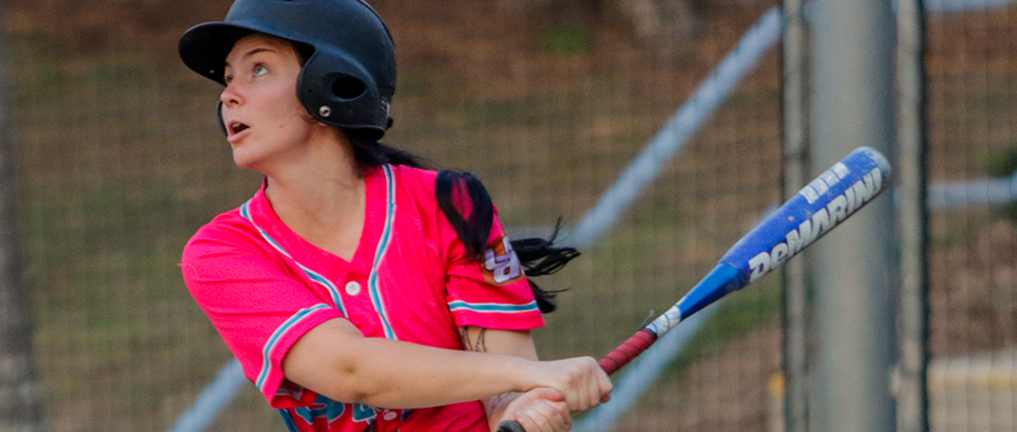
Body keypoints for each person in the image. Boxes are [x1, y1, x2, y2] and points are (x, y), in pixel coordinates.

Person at [176, 1, 612, 431]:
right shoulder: (221, 252)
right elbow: (350, 371)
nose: (228, 95)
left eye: (259, 69)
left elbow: (506, 395)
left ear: (333, 83)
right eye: (229, 78)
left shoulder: (449, 204)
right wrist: (527, 375)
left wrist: (521, 408)